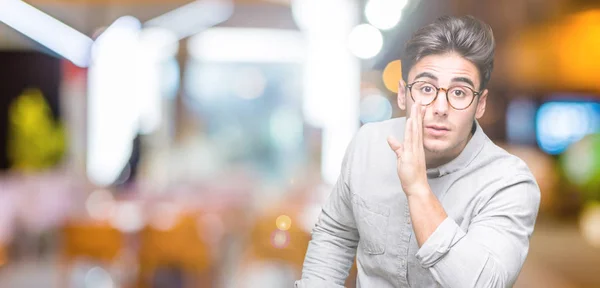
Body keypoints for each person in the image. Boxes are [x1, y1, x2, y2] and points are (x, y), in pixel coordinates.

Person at [295, 15, 541, 288]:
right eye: (426, 88)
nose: (440, 107)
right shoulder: (369, 144)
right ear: (403, 94)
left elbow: (486, 284)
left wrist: (418, 190)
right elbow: (336, 234)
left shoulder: (508, 181)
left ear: (480, 104)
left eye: (459, 92)